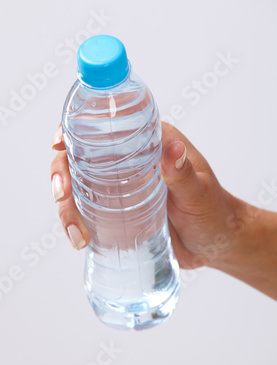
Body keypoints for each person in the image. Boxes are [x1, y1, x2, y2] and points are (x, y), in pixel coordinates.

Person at [50, 122, 277, 300]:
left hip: (141, 291)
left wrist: (227, 240)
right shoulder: (80, 109)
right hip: (114, 288)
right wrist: (227, 240)